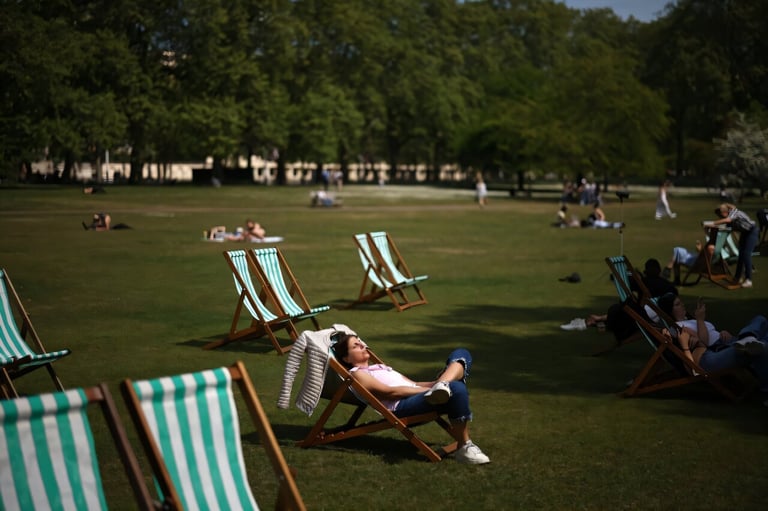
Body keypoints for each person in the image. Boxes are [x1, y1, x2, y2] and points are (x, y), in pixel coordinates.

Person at [332, 332, 490, 464]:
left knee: (462, 353)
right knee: (456, 388)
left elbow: (413, 383)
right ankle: (465, 446)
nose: (362, 345)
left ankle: (443, 384)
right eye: (355, 346)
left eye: (360, 342)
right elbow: (389, 393)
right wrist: (427, 390)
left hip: (421, 395)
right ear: (346, 358)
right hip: (401, 406)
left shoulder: (380, 367)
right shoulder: (357, 373)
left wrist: (435, 384)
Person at [656, 293, 768, 403]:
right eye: (677, 304)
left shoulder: (687, 322)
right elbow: (702, 345)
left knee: (760, 320)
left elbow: (704, 339)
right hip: (709, 357)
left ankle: (748, 337)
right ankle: (765, 390)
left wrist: (721, 333)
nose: (683, 305)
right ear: (670, 311)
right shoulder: (677, 328)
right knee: (761, 345)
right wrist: (699, 320)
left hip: (719, 348)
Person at [561, 259, 677, 338]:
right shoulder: (666, 285)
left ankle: (592, 321)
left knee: (622, 310)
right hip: (659, 316)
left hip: (644, 317)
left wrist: (634, 277)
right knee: (625, 310)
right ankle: (595, 321)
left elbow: (629, 285)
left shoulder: (645, 283)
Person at [708, 203, 759, 288]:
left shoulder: (734, 212)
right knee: (741, 255)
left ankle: (748, 280)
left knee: (746, 254)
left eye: (720, 215)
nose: (720, 218)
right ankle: (737, 278)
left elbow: (728, 220)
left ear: (724, 212)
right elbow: (727, 227)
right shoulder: (729, 217)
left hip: (752, 232)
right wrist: (713, 227)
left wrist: (713, 223)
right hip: (745, 233)